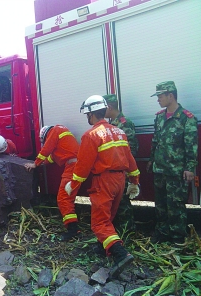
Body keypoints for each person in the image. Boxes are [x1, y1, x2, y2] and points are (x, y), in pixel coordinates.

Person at [65, 95, 140, 277]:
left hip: (104, 181)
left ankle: (121, 254)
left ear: (91, 115)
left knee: (99, 222)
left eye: (87, 115)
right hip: (120, 180)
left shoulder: (90, 135)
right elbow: (129, 158)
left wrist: (73, 184)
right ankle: (102, 246)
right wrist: (134, 181)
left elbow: (83, 166)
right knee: (109, 216)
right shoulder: (119, 131)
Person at [147, 81, 198, 244]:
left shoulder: (186, 118)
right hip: (160, 169)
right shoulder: (159, 117)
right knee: (160, 204)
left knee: (176, 205)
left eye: (160, 96)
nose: (158, 100)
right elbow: (155, 141)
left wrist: (190, 168)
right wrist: (151, 159)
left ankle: (177, 237)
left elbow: (191, 145)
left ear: (171, 95)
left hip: (176, 171)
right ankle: (162, 232)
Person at [24, 125, 80, 241]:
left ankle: (73, 229)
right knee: (66, 198)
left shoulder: (55, 131)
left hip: (73, 166)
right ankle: (73, 227)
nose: (44, 143)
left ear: (45, 136)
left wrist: (35, 164)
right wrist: (40, 164)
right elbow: (51, 158)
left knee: (63, 198)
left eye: (43, 141)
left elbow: (46, 150)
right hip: (75, 166)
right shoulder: (60, 138)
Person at [104, 94, 139, 233]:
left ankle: (128, 230)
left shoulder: (124, 123)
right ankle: (120, 228)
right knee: (117, 200)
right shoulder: (112, 124)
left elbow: (132, 148)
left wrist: (125, 169)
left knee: (123, 201)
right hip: (115, 170)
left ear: (109, 107)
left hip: (123, 169)